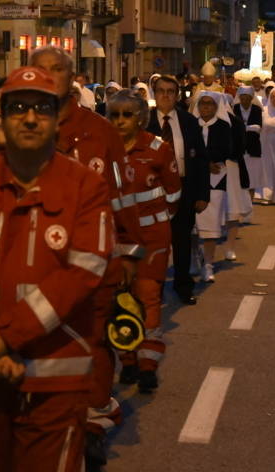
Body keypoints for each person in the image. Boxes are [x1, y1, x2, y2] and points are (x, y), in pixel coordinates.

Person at [0, 66, 112, 472]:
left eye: (41, 108)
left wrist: (5, 336)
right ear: (0, 115)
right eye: (17, 108)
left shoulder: (86, 186)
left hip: (55, 383)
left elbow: (83, 272)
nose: (29, 118)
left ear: (57, 117)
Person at [28, 46, 141, 471]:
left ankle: (93, 423)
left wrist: (130, 250)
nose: (48, 76)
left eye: (56, 70)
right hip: (37, 259)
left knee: (92, 342)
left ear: (72, 78)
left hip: (94, 257)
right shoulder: (23, 124)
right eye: (39, 70)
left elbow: (122, 193)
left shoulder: (100, 131)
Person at [109, 89, 180, 394]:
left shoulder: (159, 149)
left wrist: (153, 221)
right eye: (114, 114)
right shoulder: (101, 151)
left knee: (148, 296)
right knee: (119, 299)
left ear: (141, 117)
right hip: (114, 238)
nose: (121, 120)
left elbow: (174, 195)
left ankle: (148, 364)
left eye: (127, 114)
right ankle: (127, 361)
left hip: (152, 236)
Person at [147, 75, 209, 305]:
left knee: (182, 241)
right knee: (155, 244)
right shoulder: (144, 121)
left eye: (170, 91)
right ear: (154, 93)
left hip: (183, 189)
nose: (165, 95)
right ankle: (154, 289)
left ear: (177, 95)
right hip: (152, 192)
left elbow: (201, 160)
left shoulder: (188, 122)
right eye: (161, 90)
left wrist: (202, 195)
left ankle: (183, 286)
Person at [191, 92, 239, 282]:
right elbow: (188, 149)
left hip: (216, 178)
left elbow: (225, 149)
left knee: (210, 223)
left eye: (210, 104)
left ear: (216, 107)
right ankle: (194, 259)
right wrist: (204, 163)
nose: (206, 108)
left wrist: (208, 161)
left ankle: (208, 264)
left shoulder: (223, 126)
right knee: (192, 225)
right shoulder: (191, 124)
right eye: (202, 104)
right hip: (194, 178)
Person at [233, 85, 265, 205]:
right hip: (239, 149)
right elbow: (234, 128)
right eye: (243, 98)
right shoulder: (234, 108)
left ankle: (250, 201)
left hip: (253, 148)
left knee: (253, 177)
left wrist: (243, 128)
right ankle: (241, 202)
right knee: (240, 178)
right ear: (239, 98)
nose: (245, 101)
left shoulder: (257, 109)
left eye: (247, 98)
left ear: (252, 98)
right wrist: (248, 128)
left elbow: (258, 128)